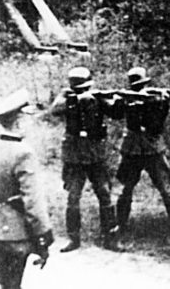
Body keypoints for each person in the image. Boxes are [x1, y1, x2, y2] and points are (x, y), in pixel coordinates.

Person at [49, 67, 124, 252]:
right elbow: (55, 110)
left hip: (95, 154)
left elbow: (116, 113)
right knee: (73, 197)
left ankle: (110, 238)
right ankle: (73, 239)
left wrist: (120, 101)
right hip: (74, 156)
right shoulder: (66, 97)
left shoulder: (97, 98)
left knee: (104, 194)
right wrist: (76, 99)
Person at [114, 67, 170, 234]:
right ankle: (120, 224)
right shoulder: (126, 99)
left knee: (166, 188)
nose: (139, 89)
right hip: (132, 148)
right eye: (136, 86)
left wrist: (163, 103)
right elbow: (116, 114)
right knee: (126, 188)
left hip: (152, 148)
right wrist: (121, 101)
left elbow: (158, 125)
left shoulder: (156, 99)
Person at [0, 90, 53, 289]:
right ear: (18, 121)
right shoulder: (24, 153)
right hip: (14, 234)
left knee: (4, 282)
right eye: (26, 118)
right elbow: (33, 202)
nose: (30, 123)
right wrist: (44, 234)